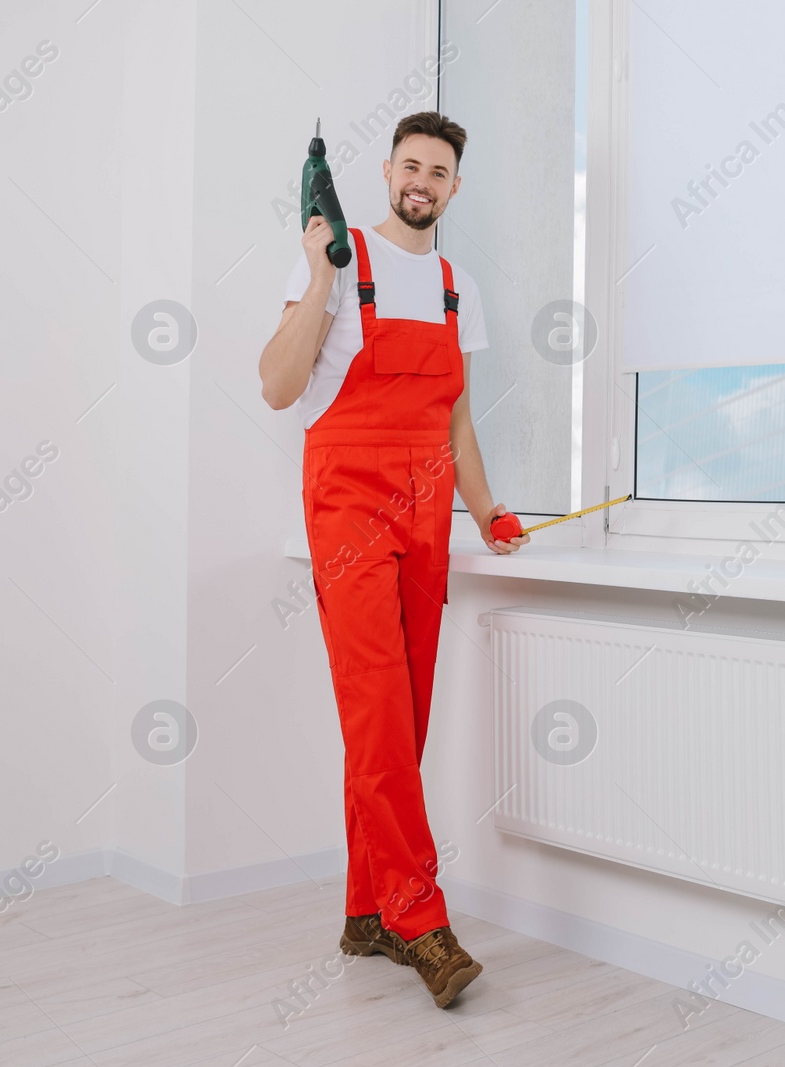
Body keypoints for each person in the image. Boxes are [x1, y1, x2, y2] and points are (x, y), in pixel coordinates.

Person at [258, 111, 526, 1010]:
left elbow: (455, 417)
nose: (422, 180)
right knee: (375, 708)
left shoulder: (457, 285)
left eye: (439, 170)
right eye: (410, 165)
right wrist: (320, 278)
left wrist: (486, 510)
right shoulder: (338, 261)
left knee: (401, 718)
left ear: (455, 187)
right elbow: (277, 384)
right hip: (349, 503)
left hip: (428, 511)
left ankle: (365, 910)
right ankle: (423, 922)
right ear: (386, 172)